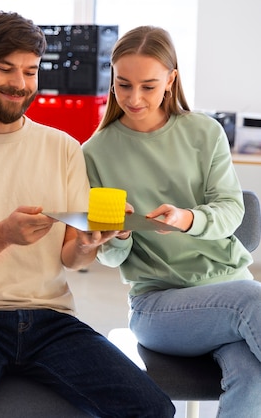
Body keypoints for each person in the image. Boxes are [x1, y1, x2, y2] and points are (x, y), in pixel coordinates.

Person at [0, 12, 174, 418]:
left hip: (52, 321)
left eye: (30, 71)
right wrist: (3, 235)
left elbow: (72, 257)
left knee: (153, 409)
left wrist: (88, 242)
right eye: (6, 69)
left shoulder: (63, 148)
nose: (20, 84)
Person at [82, 25, 261, 417]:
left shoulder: (204, 132)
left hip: (230, 289)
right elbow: (110, 259)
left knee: (253, 378)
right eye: (123, 85)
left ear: (171, 80)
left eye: (148, 86)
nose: (134, 98)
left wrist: (188, 219)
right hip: (159, 308)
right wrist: (117, 236)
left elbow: (232, 210)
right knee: (254, 300)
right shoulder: (94, 152)